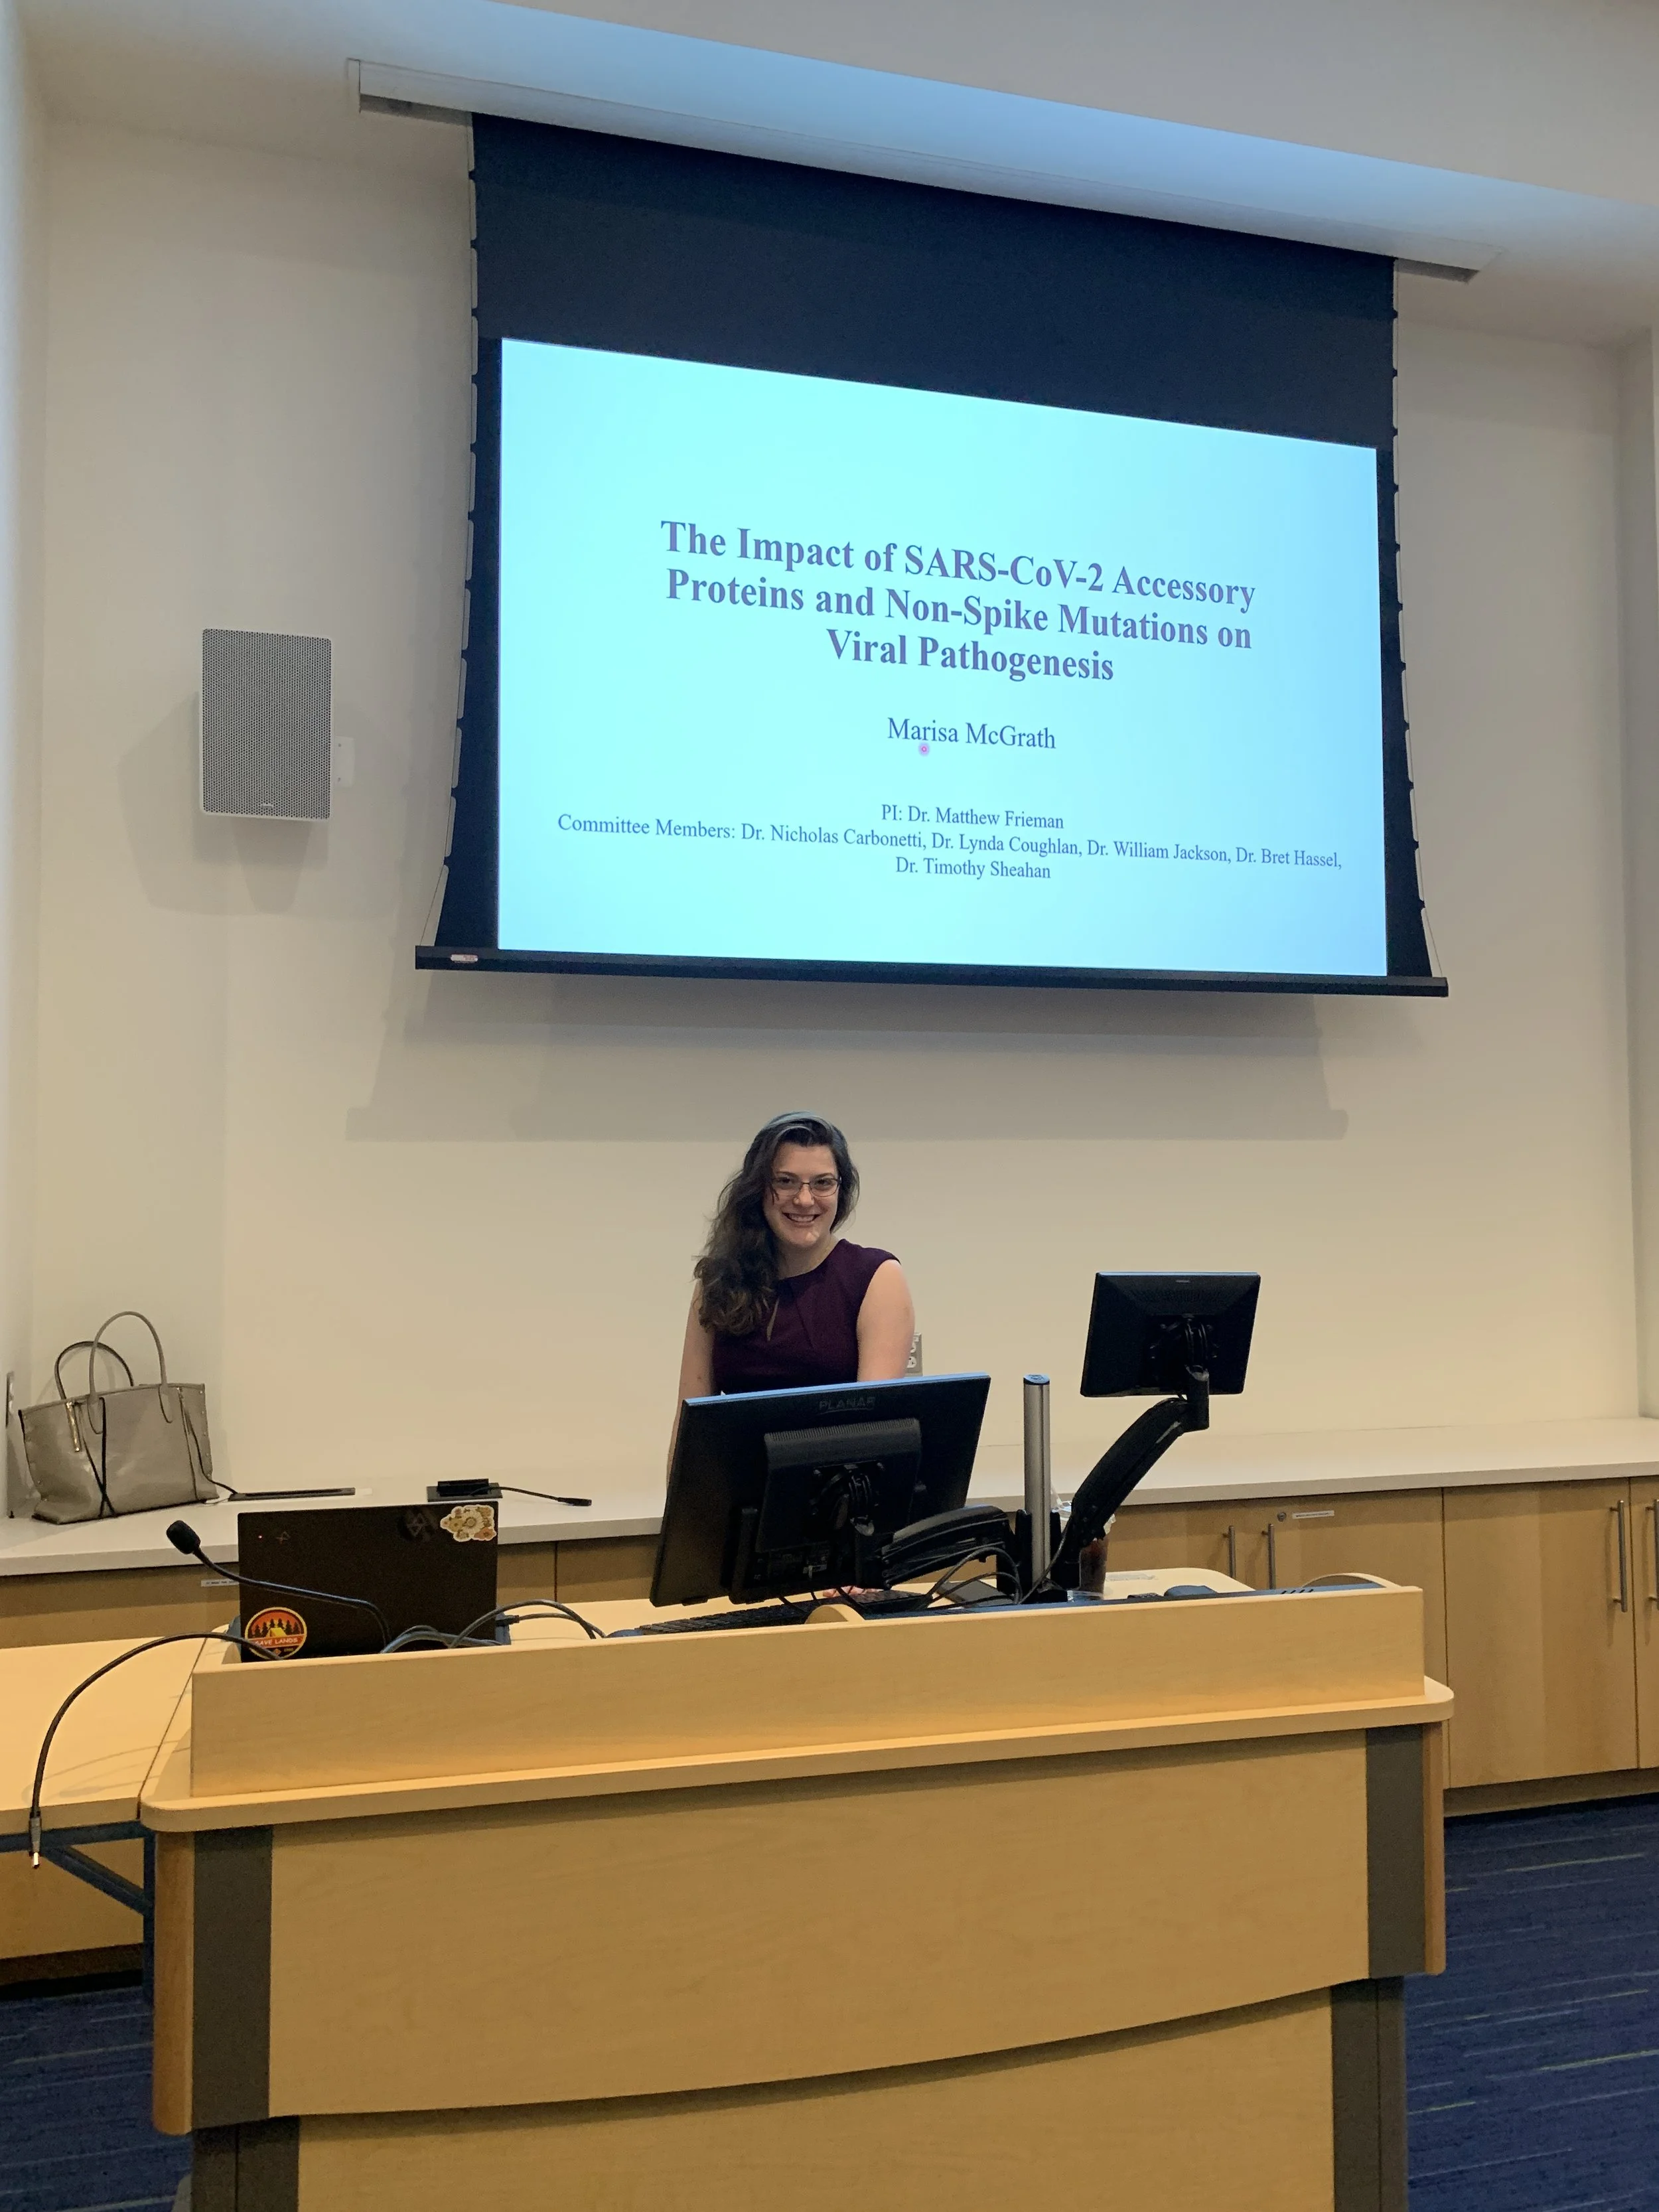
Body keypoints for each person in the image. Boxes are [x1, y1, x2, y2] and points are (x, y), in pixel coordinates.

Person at [674, 1112, 916, 1426]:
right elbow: (688, 1426)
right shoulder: (718, 1281)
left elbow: (870, 1429)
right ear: (758, 1189)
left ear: (841, 1190)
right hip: (737, 1474)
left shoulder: (877, 1277)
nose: (804, 1200)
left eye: (823, 1183)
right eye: (785, 1182)